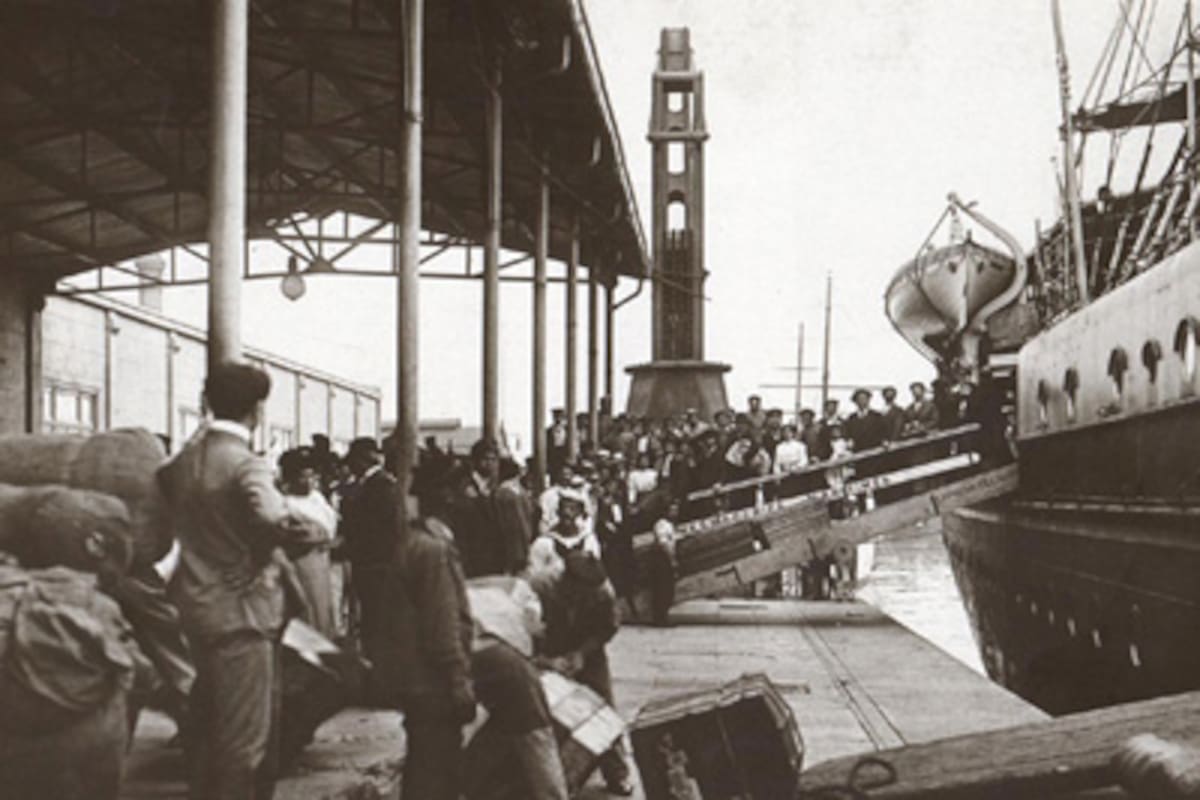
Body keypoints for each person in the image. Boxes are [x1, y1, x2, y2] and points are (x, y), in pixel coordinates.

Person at [157, 361, 307, 800]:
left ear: (207, 402)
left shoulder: (183, 462)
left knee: (204, 738)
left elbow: (165, 484)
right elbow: (273, 518)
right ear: (257, 410)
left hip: (194, 612)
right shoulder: (246, 463)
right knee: (244, 745)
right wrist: (262, 552)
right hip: (243, 618)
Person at [375, 467, 476, 799]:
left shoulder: (415, 541)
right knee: (437, 768)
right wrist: (458, 679)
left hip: (415, 678)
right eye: (465, 489)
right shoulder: (433, 550)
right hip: (431, 681)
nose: (471, 496)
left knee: (424, 763)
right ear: (448, 497)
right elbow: (442, 624)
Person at [534, 550, 633, 796]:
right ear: (567, 581)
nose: (587, 599)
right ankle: (557, 780)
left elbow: (608, 628)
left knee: (603, 709)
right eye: (581, 594)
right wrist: (547, 662)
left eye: (591, 595)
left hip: (587, 652)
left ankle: (617, 773)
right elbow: (522, 636)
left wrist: (582, 653)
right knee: (544, 716)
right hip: (548, 652)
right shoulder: (540, 587)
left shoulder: (603, 592)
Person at [337, 437, 398, 692]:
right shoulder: (370, 485)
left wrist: (347, 546)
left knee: (375, 621)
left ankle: (379, 678)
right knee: (371, 620)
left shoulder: (380, 486)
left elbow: (374, 530)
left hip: (376, 564)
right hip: (370, 563)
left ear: (363, 460)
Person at [278, 447, 339, 638]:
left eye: (312, 476)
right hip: (301, 564)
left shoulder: (317, 498)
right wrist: (320, 536)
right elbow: (298, 536)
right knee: (307, 609)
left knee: (323, 608)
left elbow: (330, 526)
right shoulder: (286, 504)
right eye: (303, 477)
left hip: (321, 562)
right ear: (291, 479)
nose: (309, 481)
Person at [547, 409, 569, 479]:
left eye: (560, 417)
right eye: (556, 417)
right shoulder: (548, 431)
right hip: (553, 457)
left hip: (564, 456)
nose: (558, 420)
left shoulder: (568, 431)